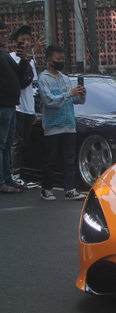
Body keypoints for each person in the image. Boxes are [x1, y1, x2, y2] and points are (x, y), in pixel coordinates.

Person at [38, 44, 86, 201]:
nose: (61, 61)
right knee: (50, 159)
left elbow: (76, 100)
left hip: (69, 124)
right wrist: (69, 93)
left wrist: (80, 94)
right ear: (49, 60)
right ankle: (46, 189)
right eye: (58, 59)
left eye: (62, 58)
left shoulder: (65, 78)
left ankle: (70, 189)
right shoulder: (43, 78)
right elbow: (49, 100)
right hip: (53, 125)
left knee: (69, 159)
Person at [10, 25, 44, 189]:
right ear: (15, 42)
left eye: (29, 40)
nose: (27, 43)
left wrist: (33, 110)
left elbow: (33, 85)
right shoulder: (12, 58)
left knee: (25, 142)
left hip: (28, 107)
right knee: (17, 142)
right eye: (22, 40)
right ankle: (15, 174)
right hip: (17, 107)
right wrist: (31, 54)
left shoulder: (32, 59)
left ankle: (22, 173)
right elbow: (21, 80)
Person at [0, 20, 31, 194]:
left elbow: (18, 77)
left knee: (6, 145)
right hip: (2, 106)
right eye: (1, 34)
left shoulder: (4, 54)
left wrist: (23, 59)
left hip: (11, 106)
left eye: (6, 33)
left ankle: (7, 178)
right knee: (2, 144)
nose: (5, 37)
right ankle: (1, 181)